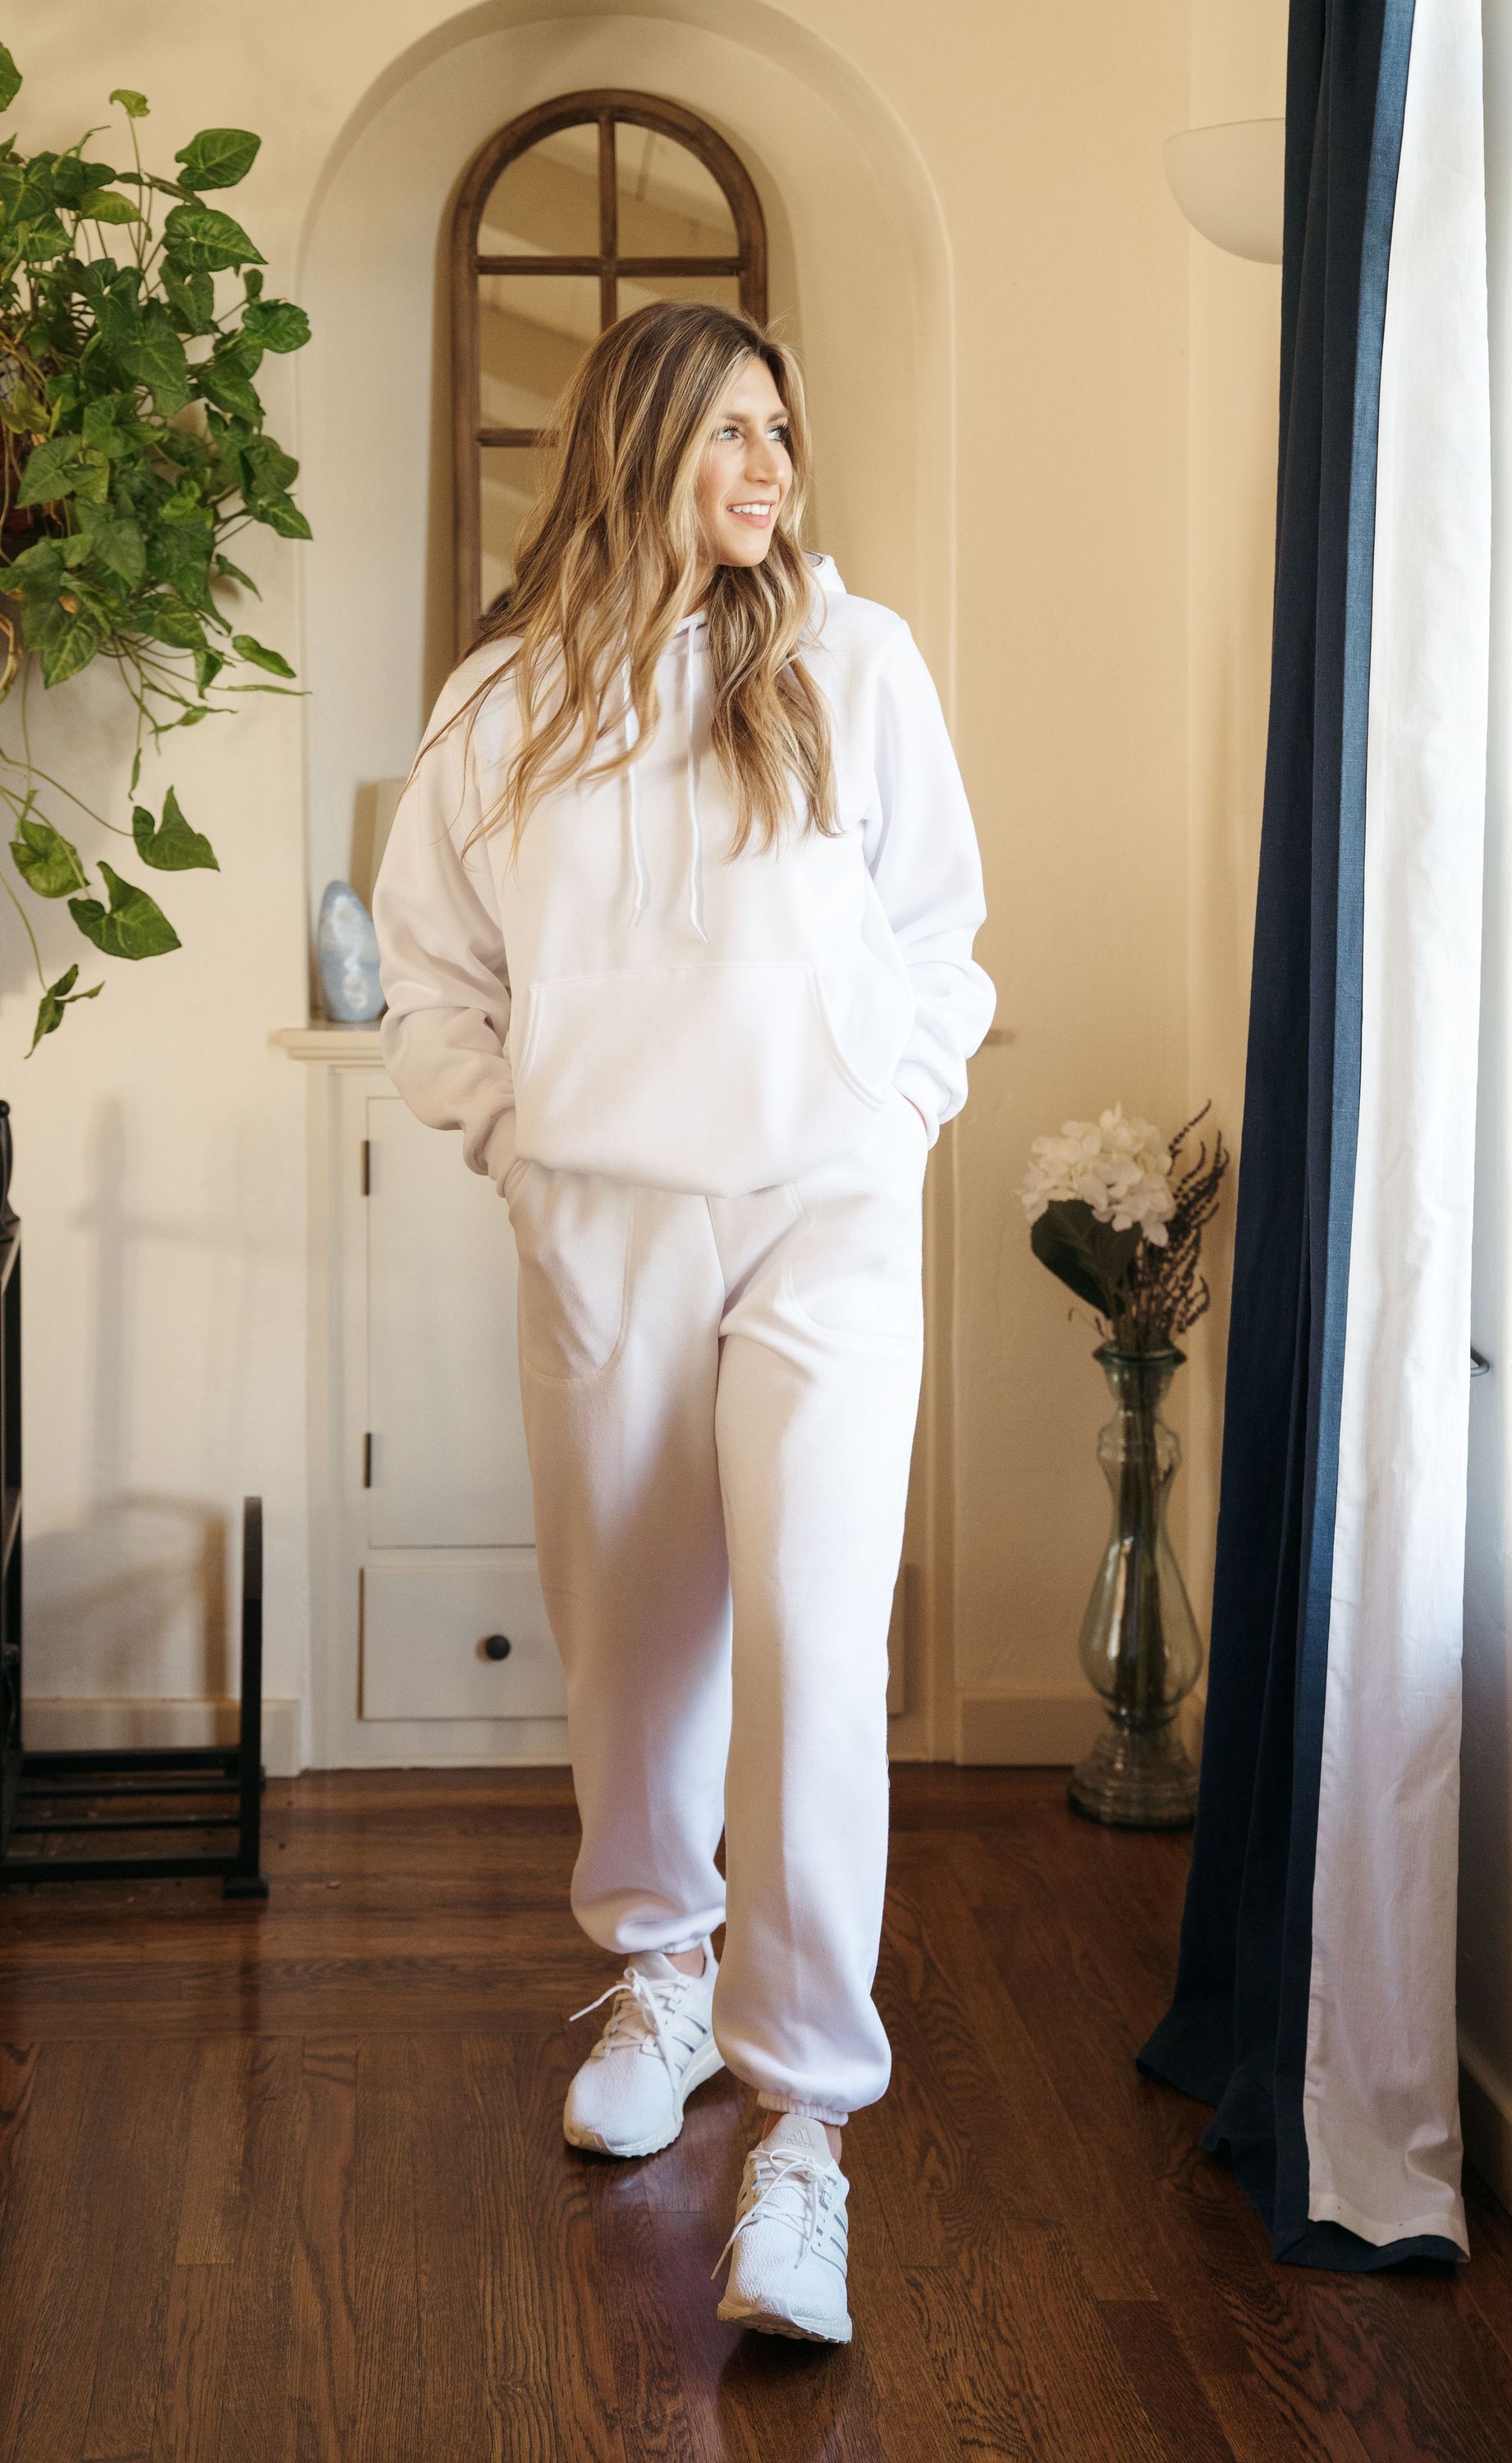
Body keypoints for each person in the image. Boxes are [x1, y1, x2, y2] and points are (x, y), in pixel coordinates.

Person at [373, 300, 993, 2344]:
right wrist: (521, 1145)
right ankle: (656, 1970)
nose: (768, 467)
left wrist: (889, 1123)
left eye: (781, 433)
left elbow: (935, 947)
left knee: (818, 1639)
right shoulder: (502, 702)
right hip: (606, 1224)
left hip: (822, 1220)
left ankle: (803, 2126)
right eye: (730, 430)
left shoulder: (854, 660)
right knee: (635, 1623)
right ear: (635, 445)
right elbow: (431, 976)